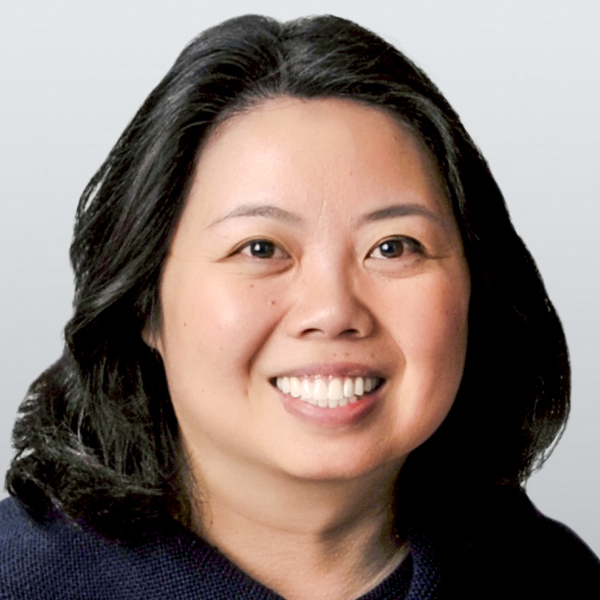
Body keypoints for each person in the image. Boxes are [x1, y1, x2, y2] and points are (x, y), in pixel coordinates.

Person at [1, 14, 598, 600]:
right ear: (144, 302)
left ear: (475, 287)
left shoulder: (557, 579)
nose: (333, 311)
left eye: (393, 247)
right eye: (260, 248)